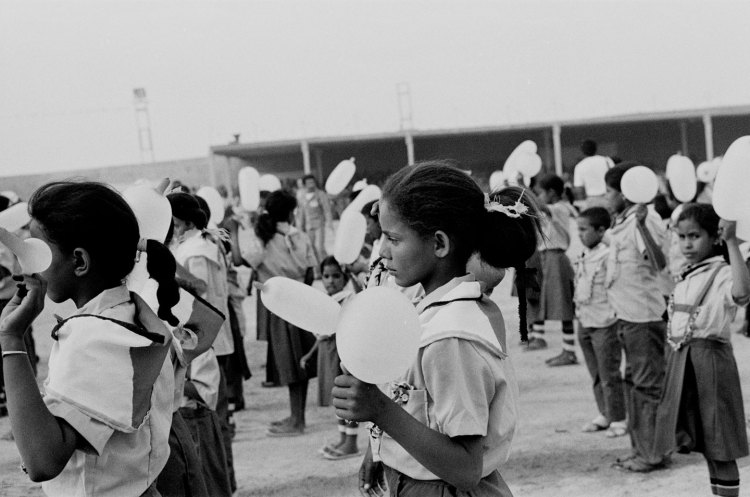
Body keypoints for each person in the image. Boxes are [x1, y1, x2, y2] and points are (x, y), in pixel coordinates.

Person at [332, 161, 541, 496]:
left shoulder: (451, 336)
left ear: (440, 244)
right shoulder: (432, 312)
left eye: (393, 239)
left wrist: (379, 409)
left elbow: (465, 467)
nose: (382, 251)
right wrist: (384, 452)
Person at [0, 181, 179, 496]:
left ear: (79, 261)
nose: (27, 263)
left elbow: (43, 461)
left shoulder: (93, 339)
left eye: (38, 250)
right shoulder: (135, 317)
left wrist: (11, 339)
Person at [653, 204, 750, 497]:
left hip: (712, 362)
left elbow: (742, 294)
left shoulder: (723, 273)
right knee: (707, 442)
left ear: (714, 237)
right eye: (682, 237)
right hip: (684, 359)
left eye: (694, 236)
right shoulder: (687, 274)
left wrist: (732, 241)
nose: (687, 244)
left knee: (722, 443)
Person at [167, 192, 237, 492]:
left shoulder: (197, 251)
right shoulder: (197, 245)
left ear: (182, 222)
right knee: (212, 423)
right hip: (205, 341)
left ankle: (220, 484)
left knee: (210, 423)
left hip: (203, 343)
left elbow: (197, 296)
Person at [604, 162, 670, 472]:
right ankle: (640, 447)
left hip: (643, 315)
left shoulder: (645, 219)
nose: (605, 198)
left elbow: (659, 261)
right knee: (634, 383)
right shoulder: (622, 221)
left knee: (647, 385)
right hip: (626, 314)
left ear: (624, 192)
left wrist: (643, 226)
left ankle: (653, 453)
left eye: (608, 191)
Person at [241, 190, 318, 436]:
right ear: (291, 212)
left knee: (289, 363)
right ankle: (297, 416)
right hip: (301, 301)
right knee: (297, 362)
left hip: (278, 304)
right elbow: (309, 273)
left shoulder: (262, 238)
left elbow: (242, 260)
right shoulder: (300, 237)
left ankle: (298, 421)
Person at [300, 256, 361, 460]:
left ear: (344, 278)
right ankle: (343, 438)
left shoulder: (348, 298)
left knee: (346, 398)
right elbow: (321, 334)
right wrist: (309, 354)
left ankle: (351, 442)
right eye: (326, 276)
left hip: (341, 354)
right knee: (337, 400)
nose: (330, 280)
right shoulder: (327, 300)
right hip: (327, 354)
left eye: (336, 276)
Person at [573, 207, 627, 438]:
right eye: (579, 229)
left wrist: (608, 238)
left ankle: (619, 418)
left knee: (609, 373)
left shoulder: (609, 255)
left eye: (584, 230)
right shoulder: (585, 254)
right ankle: (604, 413)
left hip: (605, 321)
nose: (580, 234)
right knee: (595, 372)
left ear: (602, 231)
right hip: (585, 320)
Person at [530, 174, 578, 366]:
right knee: (559, 305)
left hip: (556, 259)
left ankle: (570, 351)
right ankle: (567, 349)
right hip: (549, 258)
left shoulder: (559, 208)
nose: (539, 196)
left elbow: (540, 207)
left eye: (540, 193)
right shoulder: (554, 209)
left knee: (563, 306)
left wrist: (520, 188)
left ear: (551, 193)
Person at [296, 174, 332, 263]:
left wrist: (329, 221)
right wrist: (301, 226)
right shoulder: (302, 196)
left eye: (313, 182)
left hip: (319, 224)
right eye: (309, 182)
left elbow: (327, 209)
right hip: (309, 226)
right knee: (311, 248)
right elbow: (301, 212)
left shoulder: (320, 194)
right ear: (305, 184)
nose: (311, 184)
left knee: (320, 248)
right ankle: (317, 270)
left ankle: (327, 264)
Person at [572, 139, 613, 209]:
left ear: (582, 151)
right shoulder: (607, 161)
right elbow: (615, 178)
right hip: (608, 198)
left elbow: (579, 188)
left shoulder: (580, 166)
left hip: (592, 200)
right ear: (596, 148)